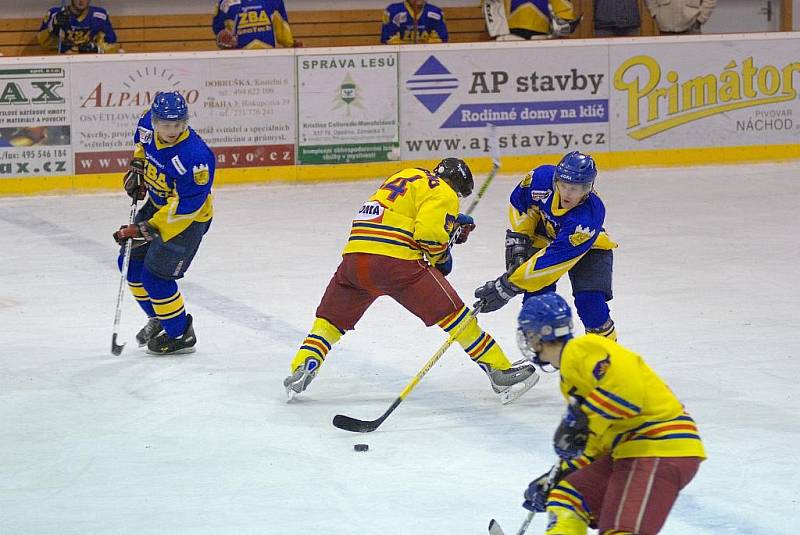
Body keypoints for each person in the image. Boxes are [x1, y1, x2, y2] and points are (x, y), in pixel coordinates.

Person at [284, 159, 539, 403]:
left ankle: (305, 364)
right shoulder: (444, 191)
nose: (457, 200)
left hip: (354, 258)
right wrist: (442, 254)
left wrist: (448, 227)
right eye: (459, 195)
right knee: (456, 316)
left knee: (330, 320)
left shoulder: (406, 175)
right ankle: (499, 370)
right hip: (395, 264)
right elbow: (428, 235)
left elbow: (401, 214)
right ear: (456, 185)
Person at [516, 292, 706, 534]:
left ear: (538, 335)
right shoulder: (569, 376)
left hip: (660, 445)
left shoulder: (584, 348)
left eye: (528, 335)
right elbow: (597, 440)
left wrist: (581, 418)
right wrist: (561, 473)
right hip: (629, 450)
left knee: (620, 529)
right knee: (567, 495)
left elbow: (629, 393)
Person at [474, 151, 618, 340]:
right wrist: (519, 239)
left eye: (574, 189)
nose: (566, 193)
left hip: (589, 248)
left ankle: (605, 356)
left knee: (590, 302)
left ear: (587, 189)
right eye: (563, 185)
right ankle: (550, 351)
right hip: (546, 237)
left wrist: (507, 286)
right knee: (535, 303)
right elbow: (521, 204)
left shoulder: (587, 217)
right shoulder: (540, 179)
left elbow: (550, 264)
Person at [113, 91, 215, 355]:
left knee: (156, 279)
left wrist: (147, 228)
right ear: (155, 121)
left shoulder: (196, 158)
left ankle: (180, 333)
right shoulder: (147, 124)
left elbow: (187, 207)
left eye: (178, 125)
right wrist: (137, 167)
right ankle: (161, 315)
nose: (172, 131)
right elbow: (141, 145)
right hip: (158, 206)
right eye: (166, 125)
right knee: (130, 266)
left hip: (186, 223)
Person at [37, 0, 119, 54]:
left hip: (90, 62)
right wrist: (52, 27)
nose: (81, 0)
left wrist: (97, 49)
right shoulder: (55, 13)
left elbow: (114, 45)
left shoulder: (100, 15)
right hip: (63, 61)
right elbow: (42, 42)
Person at [212, 0, 300, 49]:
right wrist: (222, 39)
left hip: (270, 58)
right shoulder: (225, 3)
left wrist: (291, 46)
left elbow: (283, 31)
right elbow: (219, 33)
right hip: (238, 61)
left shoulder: (274, 1)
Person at [483, 0, 580, 41]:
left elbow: (564, 15)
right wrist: (499, 34)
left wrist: (562, 25)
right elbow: (491, 9)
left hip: (542, 38)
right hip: (509, 37)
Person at [381, 0, 449, 44]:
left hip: (427, 56)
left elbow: (441, 41)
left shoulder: (436, 12)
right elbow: (387, 40)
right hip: (402, 57)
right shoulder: (393, 11)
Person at [645, 0, 716, 35]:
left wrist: (700, 19)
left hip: (691, 26)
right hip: (665, 28)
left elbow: (710, 1)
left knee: (693, 60)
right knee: (666, 61)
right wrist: (655, 14)